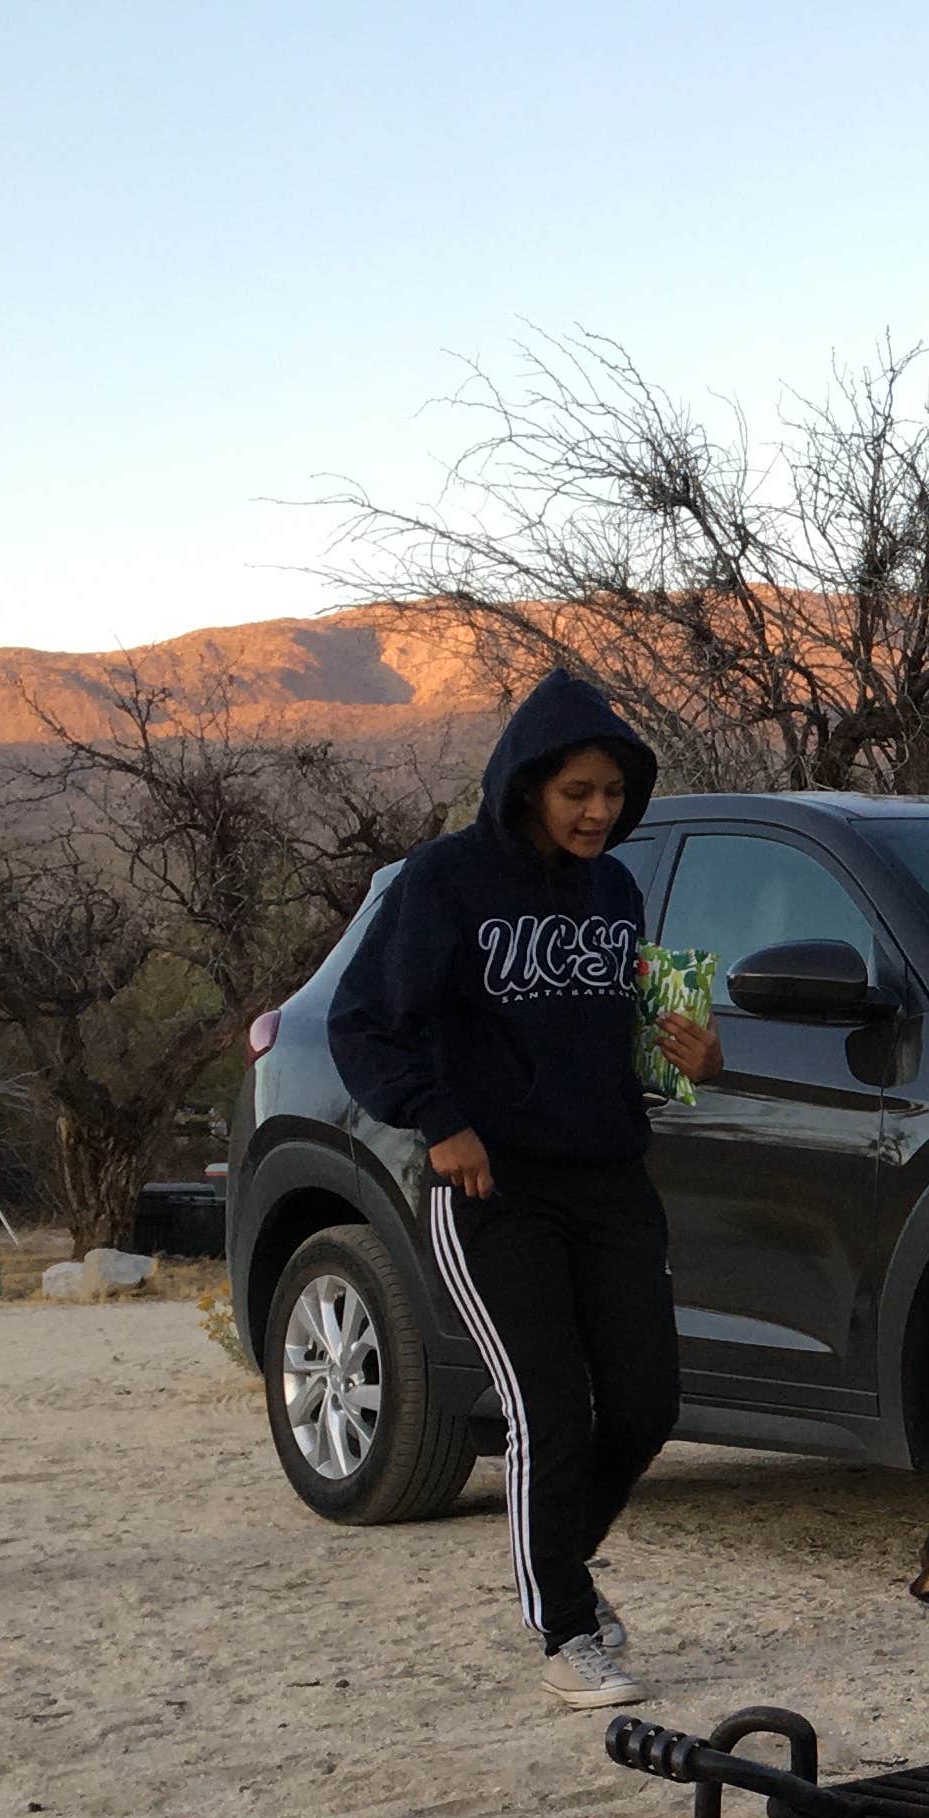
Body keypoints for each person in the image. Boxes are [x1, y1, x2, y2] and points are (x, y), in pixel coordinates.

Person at [335, 671, 720, 1709]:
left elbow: (621, 1041)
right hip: (495, 1188)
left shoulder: (616, 892)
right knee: (547, 1405)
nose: (598, 812)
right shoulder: (446, 880)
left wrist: (696, 1055)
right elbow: (365, 1023)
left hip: (611, 1179)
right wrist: (440, 1122)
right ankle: (565, 1629)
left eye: (613, 793)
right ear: (526, 788)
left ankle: (559, 1569)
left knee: (644, 1403)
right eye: (576, 792)